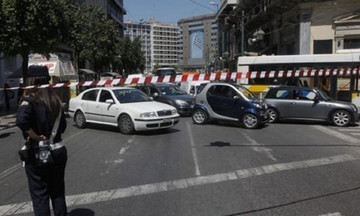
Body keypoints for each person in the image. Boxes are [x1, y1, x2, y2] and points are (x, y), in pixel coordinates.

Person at [16, 75, 68, 216]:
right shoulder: (55, 99)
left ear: (30, 82)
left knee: (40, 196)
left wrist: (35, 136)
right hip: (58, 149)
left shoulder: (30, 100)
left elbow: (21, 120)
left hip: (38, 153)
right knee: (58, 193)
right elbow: (62, 126)